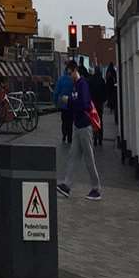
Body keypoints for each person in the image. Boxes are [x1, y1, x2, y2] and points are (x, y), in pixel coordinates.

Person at [58, 59, 102, 200]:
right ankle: (66, 185)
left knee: (89, 158)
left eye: (70, 72)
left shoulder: (82, 85)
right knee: (73, 156)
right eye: (67, 73)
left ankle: (96, 188)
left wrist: (69, 101)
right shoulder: (76, 85)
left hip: (84, 126)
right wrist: (69, 101)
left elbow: (84, 104)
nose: (69, 75)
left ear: (75, 70)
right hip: (78, 126)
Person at [53, 67, 73, 149]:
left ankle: (64, 134)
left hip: (63, 103)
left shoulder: (61, 80)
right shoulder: (72, 80)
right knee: (70, 121)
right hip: (71, 103)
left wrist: (55, 102)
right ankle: (70, 137)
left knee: (64, 120)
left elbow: (56, 92)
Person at [89, 64, 107, 148]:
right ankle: (100, 138)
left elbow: (88, 91)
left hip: (93, 103)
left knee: (93, 119)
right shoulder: (102, 80)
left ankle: (95, 137)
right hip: (100, 103)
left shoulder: (91, 80)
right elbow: (105, 91)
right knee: (100, 119)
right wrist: (104, 100)